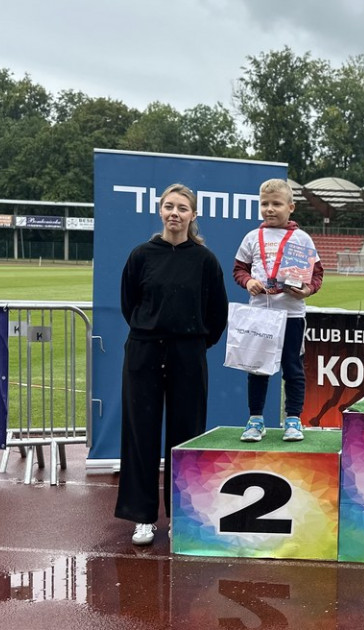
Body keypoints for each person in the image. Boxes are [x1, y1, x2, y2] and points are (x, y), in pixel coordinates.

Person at [115, 183, 228, 546]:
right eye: (169, 206)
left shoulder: (205, 260)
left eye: (182, 208)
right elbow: (129, 303)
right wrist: (151, 331)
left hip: (188, 354)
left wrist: (193, 343)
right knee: (141, 435)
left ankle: (183, 516)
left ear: (193, 215)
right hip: (144, 352)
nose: (174, 213)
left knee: (187, 434)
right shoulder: (141, 255)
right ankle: (143, 517)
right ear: (160, 211)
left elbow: (217, 312)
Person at [234, 179, 325, 442]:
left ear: (291, 207)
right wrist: (248, 282)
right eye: (265, 204)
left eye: (276, 203)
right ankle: (255, 420)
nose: (270, 209)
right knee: (257, 369)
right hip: (260, 314)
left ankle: (293, 419)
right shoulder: (252, 237)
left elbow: (317, 275)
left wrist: (307, 290)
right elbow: (239, 269)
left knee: (293, 368)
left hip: (291, 315)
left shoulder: (302, 238)